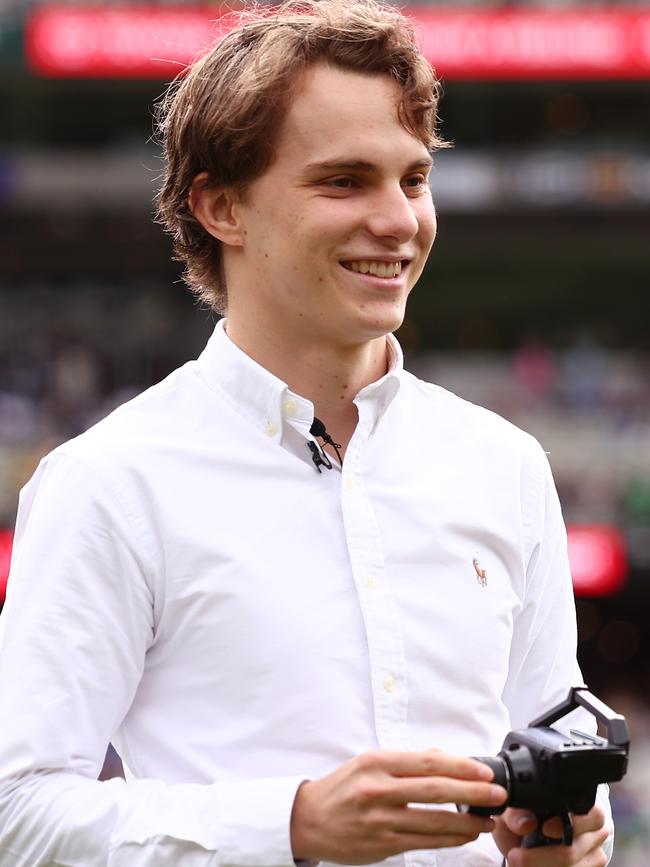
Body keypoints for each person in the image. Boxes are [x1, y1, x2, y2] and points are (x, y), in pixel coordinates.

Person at [0, 2, 612, 866]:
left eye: (412, 178)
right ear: (221, 208)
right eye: (344, 181)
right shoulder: (107, 480)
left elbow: (560, 750)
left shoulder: (506, 465)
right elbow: (16, 814)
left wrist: (572, 835)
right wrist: (290, 824)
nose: (400, 221)